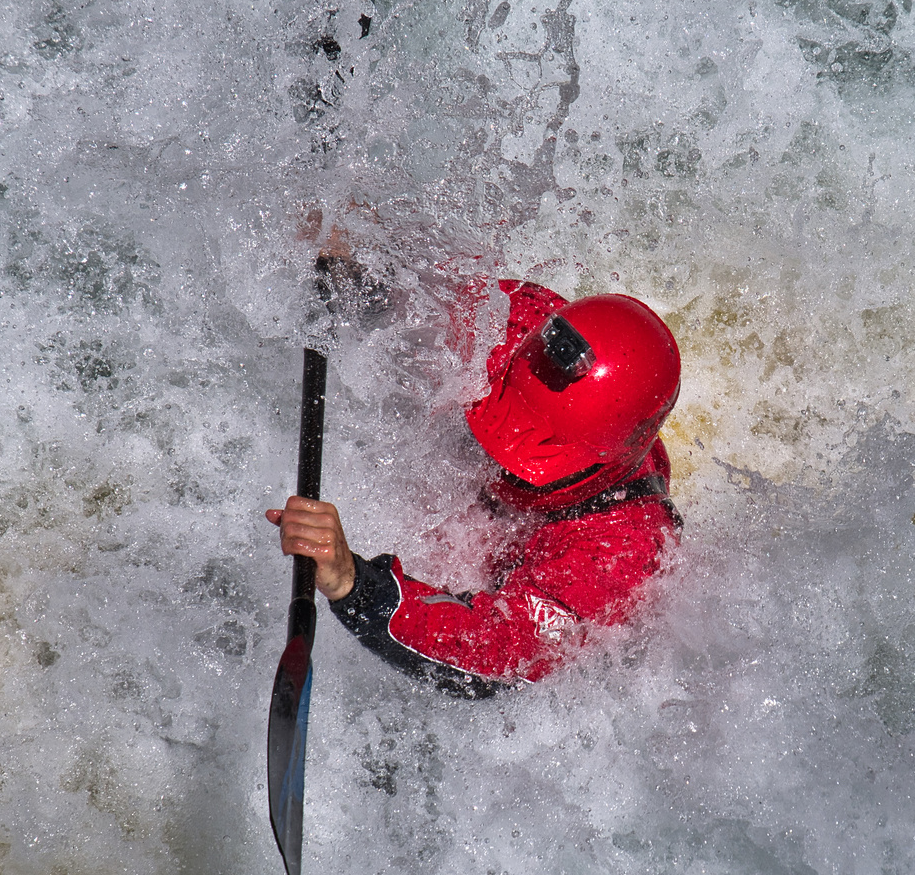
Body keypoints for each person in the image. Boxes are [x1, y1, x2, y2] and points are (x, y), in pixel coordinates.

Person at [266, 279, 683, 697]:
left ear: (602, 466)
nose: (498, 464)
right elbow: (423, 286)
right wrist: (358, 278)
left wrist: (353, 583)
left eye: (524, 468)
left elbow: (502, 650)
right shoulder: (515, 327)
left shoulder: (622, 554)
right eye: (496, 425)